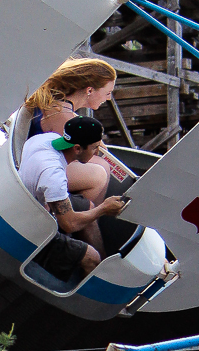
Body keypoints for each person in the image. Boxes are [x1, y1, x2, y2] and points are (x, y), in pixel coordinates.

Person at [18, 115, 126, 281]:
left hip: (31, 202)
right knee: (91, 258)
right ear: (77, 148)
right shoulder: (54, 175)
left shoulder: (46, 139)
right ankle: (87, 295)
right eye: (94, 148)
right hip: (26, 227)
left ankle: (106, 270)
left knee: (87, 206)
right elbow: (69, 224)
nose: (97, 153)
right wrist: (104, 208)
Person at [25, 58, 116, 205]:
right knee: (99, 173)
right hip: (37, 169)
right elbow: (86, 153)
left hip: (38, 161)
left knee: (102, 164)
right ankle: (80, 218)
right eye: (108, 92)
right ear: (90, 90)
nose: (109, 98)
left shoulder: (61, 106)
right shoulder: (62, 117)